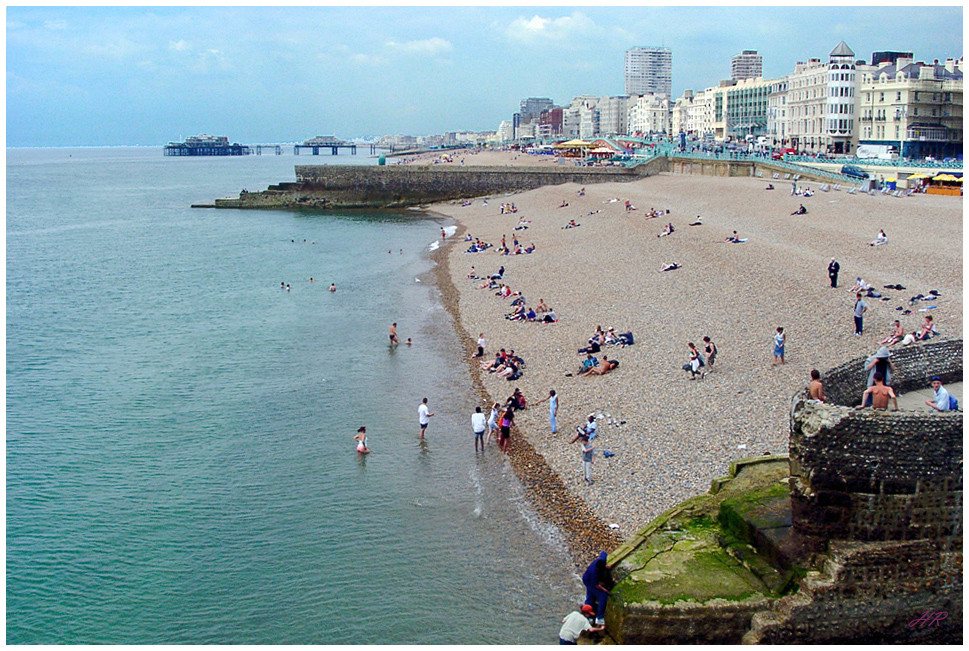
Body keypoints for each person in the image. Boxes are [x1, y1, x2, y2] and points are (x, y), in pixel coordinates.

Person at [581, 551, 611, 625]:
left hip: (588, 578)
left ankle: (588, 614)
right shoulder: (594, 572)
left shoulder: (601, 560)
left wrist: (606, 565)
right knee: (602, 596)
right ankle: (599, 617)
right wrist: (606, 591)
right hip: (588, 580)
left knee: (591, 595)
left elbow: (603, 553)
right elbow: (597, 586)